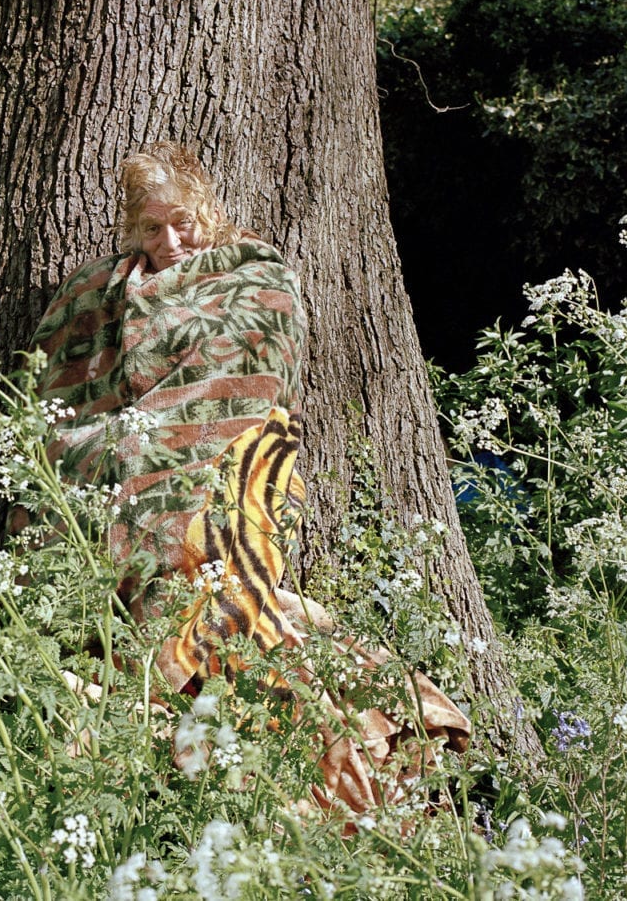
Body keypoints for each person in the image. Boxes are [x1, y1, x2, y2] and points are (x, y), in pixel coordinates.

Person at [29, 141, 469, 825]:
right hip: (121, 473)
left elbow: (251, 384)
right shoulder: (98, 293)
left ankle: (276, 786)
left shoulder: (252, 275)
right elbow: (66, 390)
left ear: (207, 211)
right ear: (130, 229)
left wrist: (179, 451)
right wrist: (113, 451)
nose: (170, 241)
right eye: (150, 227)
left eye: (182, 222)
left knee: (207, 583)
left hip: (225, 472)